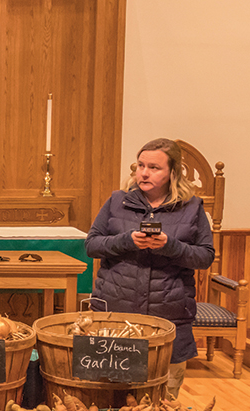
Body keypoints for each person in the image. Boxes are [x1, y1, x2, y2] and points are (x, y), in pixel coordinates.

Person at [85, 138, 214, 397]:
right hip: (116, 313)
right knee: (109, 395)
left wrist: (169, 246)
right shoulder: (117, 201)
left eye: (154, 167)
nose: (143, 172)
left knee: (163, 399)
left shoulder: (192, 208)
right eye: (140, 165)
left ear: (173, 173)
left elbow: (204, 256)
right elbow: (92, 245)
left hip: (169, 317)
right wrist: (126, 240)